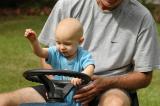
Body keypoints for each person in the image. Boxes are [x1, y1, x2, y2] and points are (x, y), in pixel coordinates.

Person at [0, 0, 160, 106]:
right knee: (5, 101)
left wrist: (105, 83)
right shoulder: (68, 4)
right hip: (61, 86)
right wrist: (56, 87)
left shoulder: (141, 17)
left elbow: (144, 76)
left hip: (111, 88)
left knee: (114, 103)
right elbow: (48, 56)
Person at [24, 18, 95, 106]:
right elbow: (40, 52)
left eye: (67, 44)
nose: (62, 47)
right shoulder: (56, 52)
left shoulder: (83, 56)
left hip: (76, 98)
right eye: (58, 42)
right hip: (55, 95)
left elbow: (90, 67)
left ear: (80, 41)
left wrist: (81, 77)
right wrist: (34, 41)